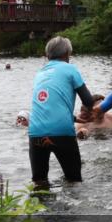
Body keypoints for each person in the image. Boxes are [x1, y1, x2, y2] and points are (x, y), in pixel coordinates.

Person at [28, 36, 96, 189]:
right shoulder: (70, 69)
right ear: (67, 54)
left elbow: (49, 106)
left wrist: (75, 118)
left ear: (48, 55)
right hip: (62, 133)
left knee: (39, 182)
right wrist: (90, 112)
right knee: (74, 181)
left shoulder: (40, 74)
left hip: (35, 132)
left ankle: (40, 204)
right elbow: (88, 100)